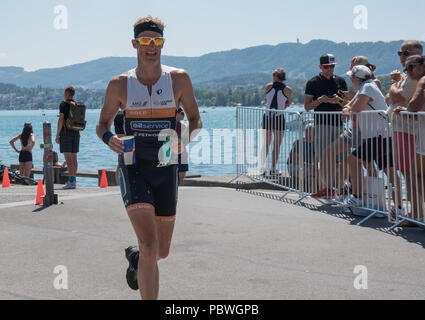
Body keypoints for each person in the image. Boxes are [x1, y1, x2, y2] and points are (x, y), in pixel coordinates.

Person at [96, 16, 202, 300]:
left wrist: (184, 140)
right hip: (133, 166)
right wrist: (110, 139)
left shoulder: (179, 79)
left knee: (161, 251)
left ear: (162, 44)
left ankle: (135, 258)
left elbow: (195, 121)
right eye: (145, 41)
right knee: (150, 246)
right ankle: (142, 258)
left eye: (156, 41)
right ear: (135, 44)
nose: (151, 47)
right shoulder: (119, 85)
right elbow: (102, 124)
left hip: (165, 165)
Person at [341, 65, 401, 211]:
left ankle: (357, 196)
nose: (351, 80)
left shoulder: (367, 87)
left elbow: (356, 107)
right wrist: (347, 107)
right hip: (381, 135)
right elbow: (351, 104)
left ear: (356, 78)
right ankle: (399, 207)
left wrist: (348, 108)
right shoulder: (366, 86)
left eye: (351, 78)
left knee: (353, 159)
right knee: (390, 170)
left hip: (377, 136)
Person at [386, 41, 423, 221]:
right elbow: (389, 98)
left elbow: (396, 96)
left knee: (412, 173)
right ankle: (415, 212)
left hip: (409, 129)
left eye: (405, 53)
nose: (401, 56)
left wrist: (394, 83)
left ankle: (416, 213)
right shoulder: (408, 75)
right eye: (399, 53)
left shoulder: (415, 77)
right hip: (403, 128)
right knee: (409, 173)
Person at [304, 54, 347, 198]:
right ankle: (327, 188)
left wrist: (338, 100)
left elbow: (347, 104)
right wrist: (319, 101)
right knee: (324, 158)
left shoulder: (340, 81)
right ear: (320, 67)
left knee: (342, 158)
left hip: (339, 124)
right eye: (326, 67)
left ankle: (341, 188)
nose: (330, 69)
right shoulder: (313, 82)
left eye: (332, 66)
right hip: (322, 124)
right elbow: (307, 107)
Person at [394, 55, 425, 224]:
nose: (408, 71)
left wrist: (407, 109)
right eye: (406, 69)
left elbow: (414, 106)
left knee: (412, 172)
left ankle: (418, 214)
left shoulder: (423, 80)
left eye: (410, 67)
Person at [260, 68, 292, 176]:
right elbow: (287, 103)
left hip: (268, 116)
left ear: (275, 77)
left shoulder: (268, 86)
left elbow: (267, 99)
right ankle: (273, 168)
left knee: (266, 144)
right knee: (276, 145)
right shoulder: (288, 90)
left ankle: (262, 168)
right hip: (279, 116)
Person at [55, 86, 80, 189]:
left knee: (68, 158)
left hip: (66, 133)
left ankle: (71, 181)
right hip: (76, 133)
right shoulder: (77, 104)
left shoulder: (63, 104)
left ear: (66, 93)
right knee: (74, 158)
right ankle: (73, 180)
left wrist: (57, 135)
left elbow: (61, 119)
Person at [287, 123, 317, 192]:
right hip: (294, 166)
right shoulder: (299, 142)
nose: (309, 136)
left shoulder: (315, 143)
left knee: (313, 176)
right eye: (307, 134)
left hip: (307, 167)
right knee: (312, 172)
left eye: (311, 134)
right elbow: (295, 160)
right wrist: (309, 165)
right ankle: (315, 192)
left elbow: (315, 159)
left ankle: (314, 192)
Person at [176, 107, 189, 186]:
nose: (183, 116)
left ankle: (180, 189)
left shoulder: (182, 126)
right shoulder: (182, 126)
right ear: (177, 114)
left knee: (181, 174)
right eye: (182, 114)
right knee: (181, 174)